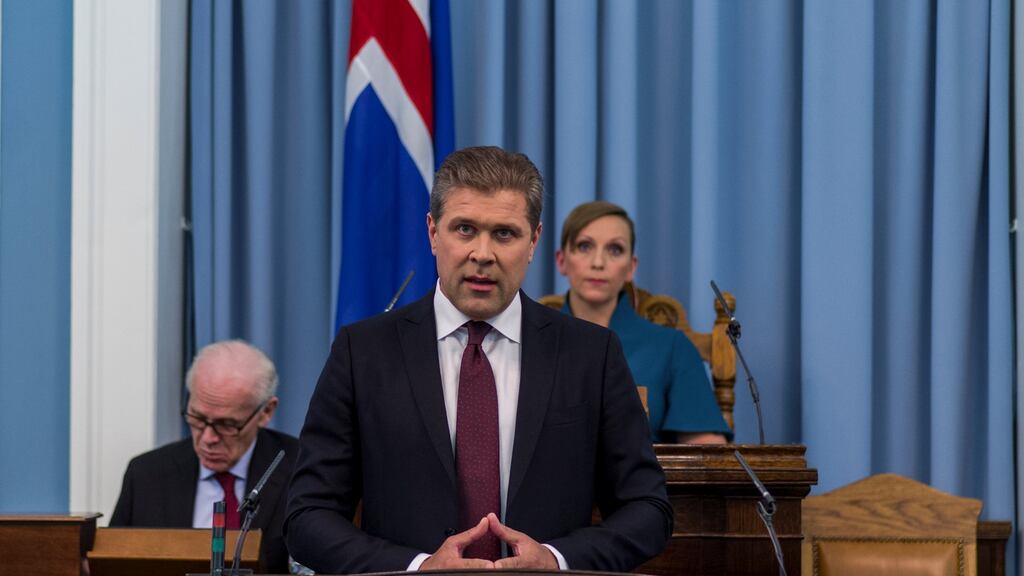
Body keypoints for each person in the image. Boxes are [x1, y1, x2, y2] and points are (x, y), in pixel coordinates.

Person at [286, 146, 672, 574]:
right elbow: (307, 517)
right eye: (465, 229)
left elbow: (649, 510)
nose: (483, 253)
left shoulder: (591, 355)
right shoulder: (363, 352)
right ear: (433, 232)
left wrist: (556, 561)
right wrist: (417, 569)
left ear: (533, 241)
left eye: (504, 234)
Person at [110, 340, 298, 573]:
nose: (208, 438)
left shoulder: (300, 470)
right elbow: (111, 563)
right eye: (197, 419)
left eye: (227, 424)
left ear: (266, 412)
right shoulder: (145, 474)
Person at [555, 201, 731, 444]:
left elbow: (708, 453)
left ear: (631, 267)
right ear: (561, 260)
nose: (598, 263)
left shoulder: (672, 347)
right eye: (584, 246)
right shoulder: (531, 340)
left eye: (615, 250)